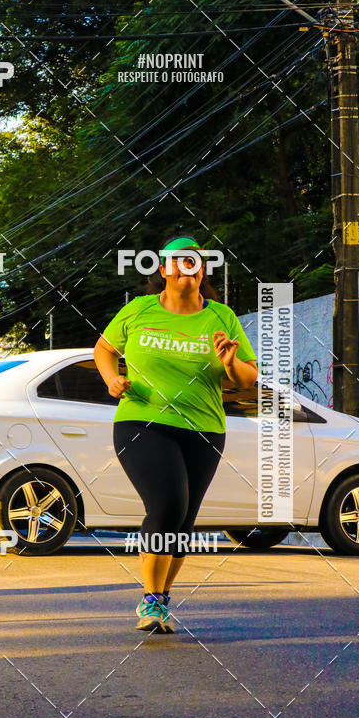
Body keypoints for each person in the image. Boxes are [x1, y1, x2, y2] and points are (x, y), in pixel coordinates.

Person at [94, 235, 259, 633]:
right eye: (179, 261)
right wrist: (111, 378)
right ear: (164, 270)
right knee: (168, 504)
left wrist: (231, 362)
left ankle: (161, 600)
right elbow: (103, 348)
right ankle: (150, 599)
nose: (187, 268)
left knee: (184, 520)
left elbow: (249, 378)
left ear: (202, 272)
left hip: (203, 428)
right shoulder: (139, 310)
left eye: (195, 262)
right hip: (142, 420)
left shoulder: (221, 317)